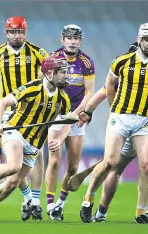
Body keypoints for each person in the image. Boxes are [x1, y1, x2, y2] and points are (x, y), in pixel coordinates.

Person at [78, 23, 148, 224]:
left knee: (147, 166)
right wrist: (110, 109)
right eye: (146, 39)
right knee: (110, 163)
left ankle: (142, 213)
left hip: (145, 122)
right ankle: (88, 199)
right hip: (121, 118)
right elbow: (107, 87)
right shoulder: (121, 62)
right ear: (138, 39)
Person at [0, 56, 71, 222]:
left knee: (12, 184)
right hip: (15, 131)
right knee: (13, 166)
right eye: (63, 72)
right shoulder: (32, 88)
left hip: (34, 143)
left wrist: (59, 139)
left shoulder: (63, 99)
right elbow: (2, 103)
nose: (66, 76)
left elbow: (67, 122)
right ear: (50, 74)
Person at [0, 16, 49, 220]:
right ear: (6, 33)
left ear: (25, 33)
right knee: (13, 162)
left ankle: (35, 200)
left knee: (36, 155)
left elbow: (47, 76)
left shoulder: (38, 52)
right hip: (9, 110)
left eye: (20, 32)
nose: (17, 35)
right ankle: (28, 198)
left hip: (33, 110)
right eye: (13, 32)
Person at [45, 24, 95, 220]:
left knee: (73, 168)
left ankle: (60, 203)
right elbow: (47, 84)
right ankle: (50, 207)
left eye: (76, 38)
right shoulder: (53, 58)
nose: (73, 41)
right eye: (69, 37)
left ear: (80, 41)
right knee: (55, 161)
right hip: (57, 115)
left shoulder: (86, 62)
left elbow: (89, 92)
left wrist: (77, 113)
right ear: (62, 39)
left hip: (77, 115)